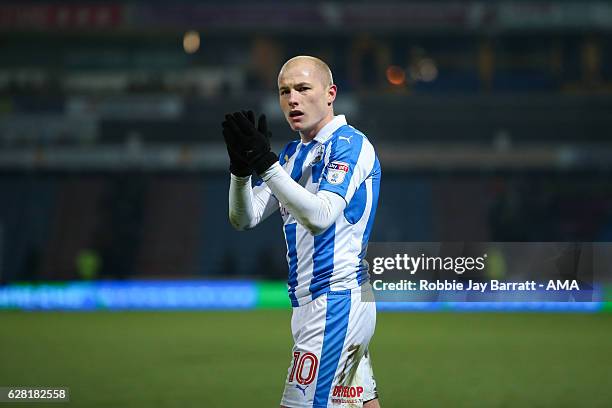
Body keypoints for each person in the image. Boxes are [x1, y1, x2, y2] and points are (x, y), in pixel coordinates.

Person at [222, 55, 381, 408]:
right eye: (284, 91)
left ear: (330, 94)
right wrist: (241, 171)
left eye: (303, 88)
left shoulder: (349, 144)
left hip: (336, 300)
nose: (292, 99)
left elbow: (322, 216)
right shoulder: (295, 155)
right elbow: (244, 218)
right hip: (313, 304)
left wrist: (266, 165)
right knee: (359, 404)